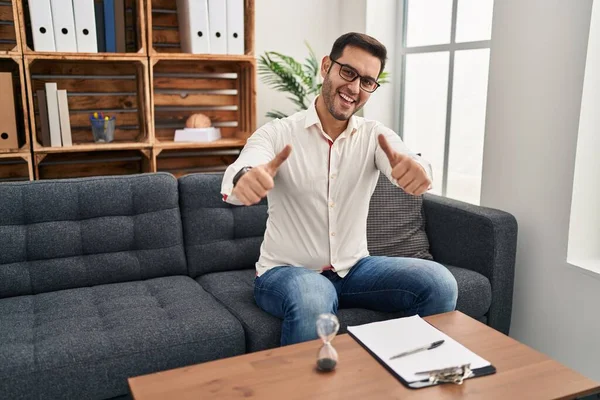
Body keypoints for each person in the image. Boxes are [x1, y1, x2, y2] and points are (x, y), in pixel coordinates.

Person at [221, 32, 458, 346]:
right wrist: (246, 178)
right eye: (348, 72)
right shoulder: (277, 134)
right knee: (314, 298)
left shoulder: (376, 137)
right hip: (286, 271)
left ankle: (406, 376)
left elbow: (408, 162)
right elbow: (240, 172)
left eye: (367, 82)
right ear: (326, 67)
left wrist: (418, 171)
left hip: (356, 269)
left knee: (439, 282)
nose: (355, 88)